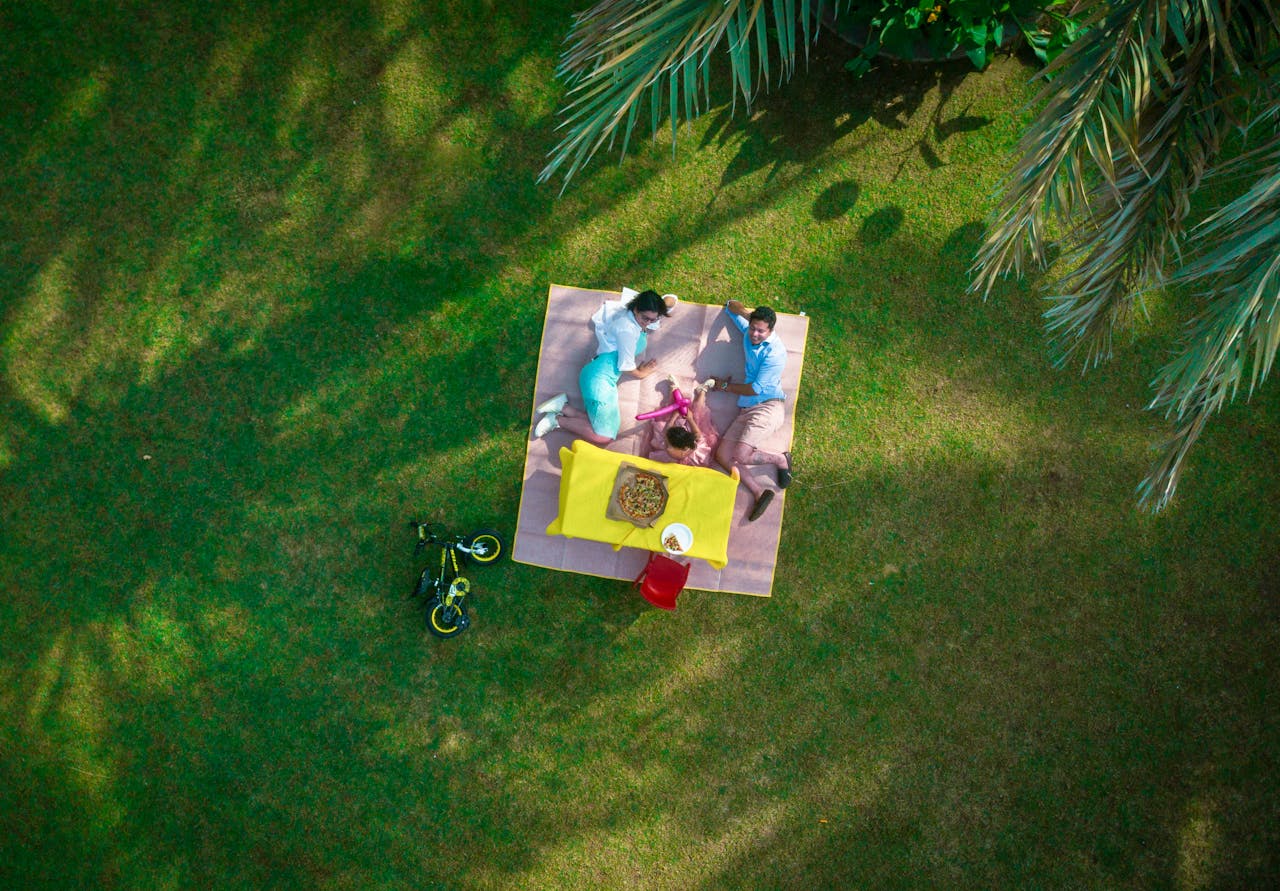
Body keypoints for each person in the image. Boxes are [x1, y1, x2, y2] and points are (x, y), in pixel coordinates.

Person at [533, 289, 674, 444]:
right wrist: (642, 372)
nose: (648, 323)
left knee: (600, 423)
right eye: (645, 318)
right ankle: (557, 420)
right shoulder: (627, 331)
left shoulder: (632, 314)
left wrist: (662, 305)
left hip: (598, 373)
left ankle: (564, 407)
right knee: (604, 436)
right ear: (636, 309)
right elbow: (625, 365)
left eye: (653, 320)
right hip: (599, 380)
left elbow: (671, 300)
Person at [709, 299, 793, 521]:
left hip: (768, 405)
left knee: (741, 455)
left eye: (761, 331)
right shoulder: (748, 330)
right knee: (722, 455)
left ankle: (780, 460)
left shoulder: (776, 354)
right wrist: (748, 315)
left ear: (771, 331)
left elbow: (755, 389)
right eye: (753, 328)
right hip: (746, 408)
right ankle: (758, 492)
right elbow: (730, 304)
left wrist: (724, 386)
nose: (755, 334)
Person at [647, 376, 719, 466]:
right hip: (672, 451)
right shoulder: (668, 441)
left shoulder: (692, 446)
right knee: (673, 413)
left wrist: (690, 419)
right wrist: (675, 416)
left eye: (669, 445)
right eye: (668, 444)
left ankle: (702, 391)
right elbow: (668, 429)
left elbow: (697, 435)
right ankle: (675, 391)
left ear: (685, 447)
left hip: (690, 457)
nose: (668, 447)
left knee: (698, 413)